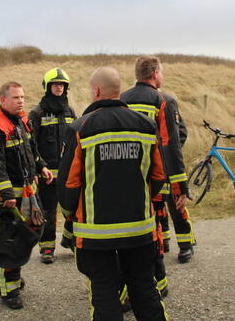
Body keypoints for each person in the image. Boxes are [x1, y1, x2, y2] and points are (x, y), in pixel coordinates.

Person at [57, 67, 168, 320]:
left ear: (96, 91)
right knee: (145, 289)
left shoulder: (80, 128)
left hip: (95, 233)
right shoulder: (146, 125)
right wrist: (142, 200)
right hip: (140, 230)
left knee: (104, 292)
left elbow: (69, 185)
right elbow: (160, 176)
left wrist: (69, 214)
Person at [120, 56, 194, 297]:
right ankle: (159, 277)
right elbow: (171, 142)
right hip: (159, 173)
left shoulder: (121, 100)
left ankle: (150, 267)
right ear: (154, 73)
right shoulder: (164, 100)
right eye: (161, 72)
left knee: (143, 223)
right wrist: (180, 185)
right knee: (165, 213)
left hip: (130, 176)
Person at [0, 81, 53, 310]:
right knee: (10, 242)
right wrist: (6, 193)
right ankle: (9, 288)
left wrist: (41, 167)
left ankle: (10, 268)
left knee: (31, 234)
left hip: (29, 192)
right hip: (9, 198)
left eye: (22, 97)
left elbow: (31, 149)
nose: (21, 101)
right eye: (15, 98)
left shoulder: (21, 121)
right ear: (2, 100)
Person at [27, 68, 77, 264]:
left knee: (72, 209)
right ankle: (46, 249)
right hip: (46, 174)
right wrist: (39, 168)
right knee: (48, 212)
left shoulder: (70, 112)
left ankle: (69, 239)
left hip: (68, 174)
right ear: (47, 87)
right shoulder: (37, 113)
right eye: (55, 84)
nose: (59, 87)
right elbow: (31, 145)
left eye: (62, 85)